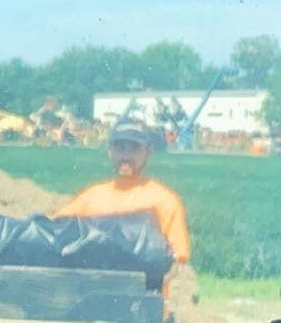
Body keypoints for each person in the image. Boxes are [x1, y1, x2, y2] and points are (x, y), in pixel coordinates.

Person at [56, 117, 194, 311]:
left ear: (148, 151)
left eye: (134, 148)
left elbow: (177, 262)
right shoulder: (91, 198)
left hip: (144, 311)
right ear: (110, 151)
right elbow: (56, 232)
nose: (126, 155)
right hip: (89, 306)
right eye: (120, 147)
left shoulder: (163, 201)